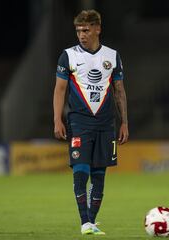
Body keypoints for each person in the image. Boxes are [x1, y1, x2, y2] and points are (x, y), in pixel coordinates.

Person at [53, 9, 129, 235]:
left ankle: (91, 222)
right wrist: (57, 119)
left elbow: (119, 91)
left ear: (97, 29)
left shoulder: (112, 56)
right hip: (79, 122)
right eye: (78, 30)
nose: (81, 35)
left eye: (85, 30)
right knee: (81, 170)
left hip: (106, 124)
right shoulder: (68, 56)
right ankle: (84, 221)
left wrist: (124, 122)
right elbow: (60, 89)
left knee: (99, 174)